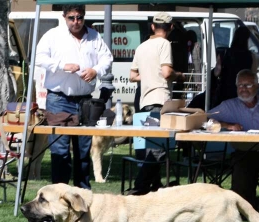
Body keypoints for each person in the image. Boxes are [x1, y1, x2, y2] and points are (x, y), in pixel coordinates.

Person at [35, 4, 112, 190]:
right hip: (59, 99)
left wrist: (95, 70)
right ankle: (59, 196)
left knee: (83, 152)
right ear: (64, 17)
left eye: (79, 18)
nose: (76, 22)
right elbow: (39, 58)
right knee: (60, 152)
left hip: (85, 100)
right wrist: (62, 65)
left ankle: (83, 196)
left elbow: (107, 58)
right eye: (71, 18)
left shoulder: (94, 35)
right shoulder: (53, 35)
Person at [208, 69, 259, 212]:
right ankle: (248, 210)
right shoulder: (229, 105)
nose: (243, 89)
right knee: (241, 174)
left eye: (248, 85)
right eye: (240, 85)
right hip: (244, 153)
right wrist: (228, 125)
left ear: (257, 87)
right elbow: (206, 119)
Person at [128, 12, 184, 195]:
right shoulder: (164, 43)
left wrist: (150, 74)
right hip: (159, 101)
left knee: (151, 147)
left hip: (144, 102)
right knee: (158, 151)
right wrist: (179, 75)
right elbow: (167, 73)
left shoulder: (142, 46)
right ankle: (139, 188)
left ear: (152, 26)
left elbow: (132, 76)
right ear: (171, 28)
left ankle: (154, 188)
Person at [213, 26, 258, 107]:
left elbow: (217, 72)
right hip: (243, 91)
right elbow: (253, 73)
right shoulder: (251, 55)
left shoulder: (225, 53)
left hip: (225, 91)